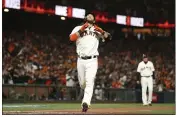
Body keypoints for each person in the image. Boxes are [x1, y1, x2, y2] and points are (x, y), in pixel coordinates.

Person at [69, 13, 111, 112]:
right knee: (82, 83)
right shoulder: (78, 28)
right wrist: (82, 29)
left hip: (92, 60)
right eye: (88, 15)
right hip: (81, 60)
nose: (90, 15)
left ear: (94, 20)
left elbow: (109, 37)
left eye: (92, 15)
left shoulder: (96, 29)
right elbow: (71, 38)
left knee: (89, 81)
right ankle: (85, 95)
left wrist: (101, 30)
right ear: (85, 19)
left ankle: (86, 103)